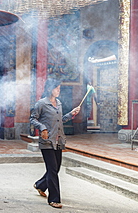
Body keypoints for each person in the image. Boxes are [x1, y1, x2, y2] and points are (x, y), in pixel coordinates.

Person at [30, 78, 80, 209]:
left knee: (56, 168)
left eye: (59, 88)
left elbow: (60, 120)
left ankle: (40, 185)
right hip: (47, 141)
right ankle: (54, 199)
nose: (59, 90)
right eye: (56, 88)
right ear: (49, 89)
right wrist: (42, 128)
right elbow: (33, 119)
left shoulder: (59, 103)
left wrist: (71, 114)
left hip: (58, 140)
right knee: (52, 169)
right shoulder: (41, 104)